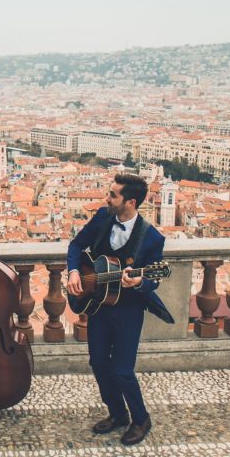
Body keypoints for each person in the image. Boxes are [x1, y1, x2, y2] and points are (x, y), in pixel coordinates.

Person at [65, 173, 174, 446]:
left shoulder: (152, 238)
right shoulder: (103, 217)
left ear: (130, 202)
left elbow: (154, 278)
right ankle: (117, 413)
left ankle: (141, 419)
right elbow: (76, 245)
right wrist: (74, 271)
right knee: (98, 363)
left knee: (123, 369)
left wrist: (140, 281)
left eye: (113, 195)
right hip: (99, 305)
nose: (107, 198)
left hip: (128, 311)